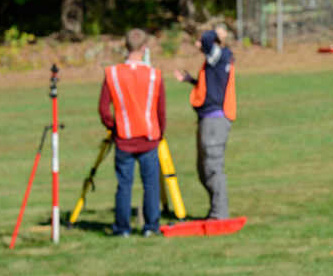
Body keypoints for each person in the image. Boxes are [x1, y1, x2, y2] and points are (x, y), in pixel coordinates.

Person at [99, 28, 166, 237]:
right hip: (149, 138)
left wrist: (114, 128)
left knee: (124, 186)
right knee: (151, 186)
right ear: (144, 48)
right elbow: (161, 110)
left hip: (124, 140)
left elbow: (103, 108)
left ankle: (122, 228)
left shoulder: (112, 73)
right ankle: (151, 227)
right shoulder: (155, 75)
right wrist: (160, 132)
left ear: (125, 46)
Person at [174, 27, 236, 220]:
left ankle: (220, 213)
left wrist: (214, 31)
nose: (198, 44)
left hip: (215, 120)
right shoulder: (215, 60)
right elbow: (212, 86)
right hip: (207, 119)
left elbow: (209, 39)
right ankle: (215, 209)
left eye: (200, 40)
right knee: (203, 170)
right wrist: (190, 80)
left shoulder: (220, 54)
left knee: (212, 167)